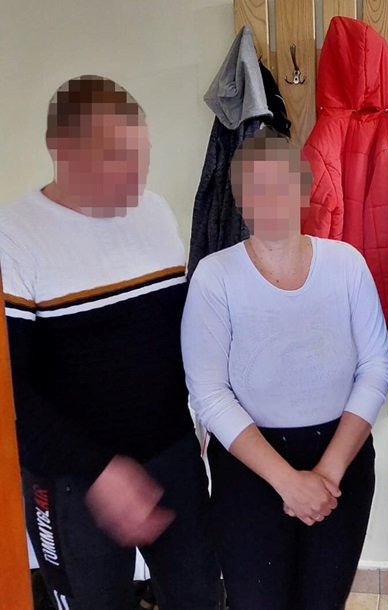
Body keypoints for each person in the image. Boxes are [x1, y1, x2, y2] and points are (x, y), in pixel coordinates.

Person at [0, 75, 219, 610]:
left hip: (172, 455)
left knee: (200, 597)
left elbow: (174, 339)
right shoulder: (14, 237)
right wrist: (100, 472)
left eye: (141, 156)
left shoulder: (155, 211)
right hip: (72, 481)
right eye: (117, 158)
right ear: (61, 149)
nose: (136, 176)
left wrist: (208, 415)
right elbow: (12, 393)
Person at [181, 128, 388, 610]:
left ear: (304, 188)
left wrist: (327, 473)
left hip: (340, 463)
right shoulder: (215, 277)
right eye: (255, 188)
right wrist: (288, 482)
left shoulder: (346, 265)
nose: (270, 200)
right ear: (239, 199)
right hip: (250, 469)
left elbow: (376, 367)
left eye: (281, 184)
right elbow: (209, 393)